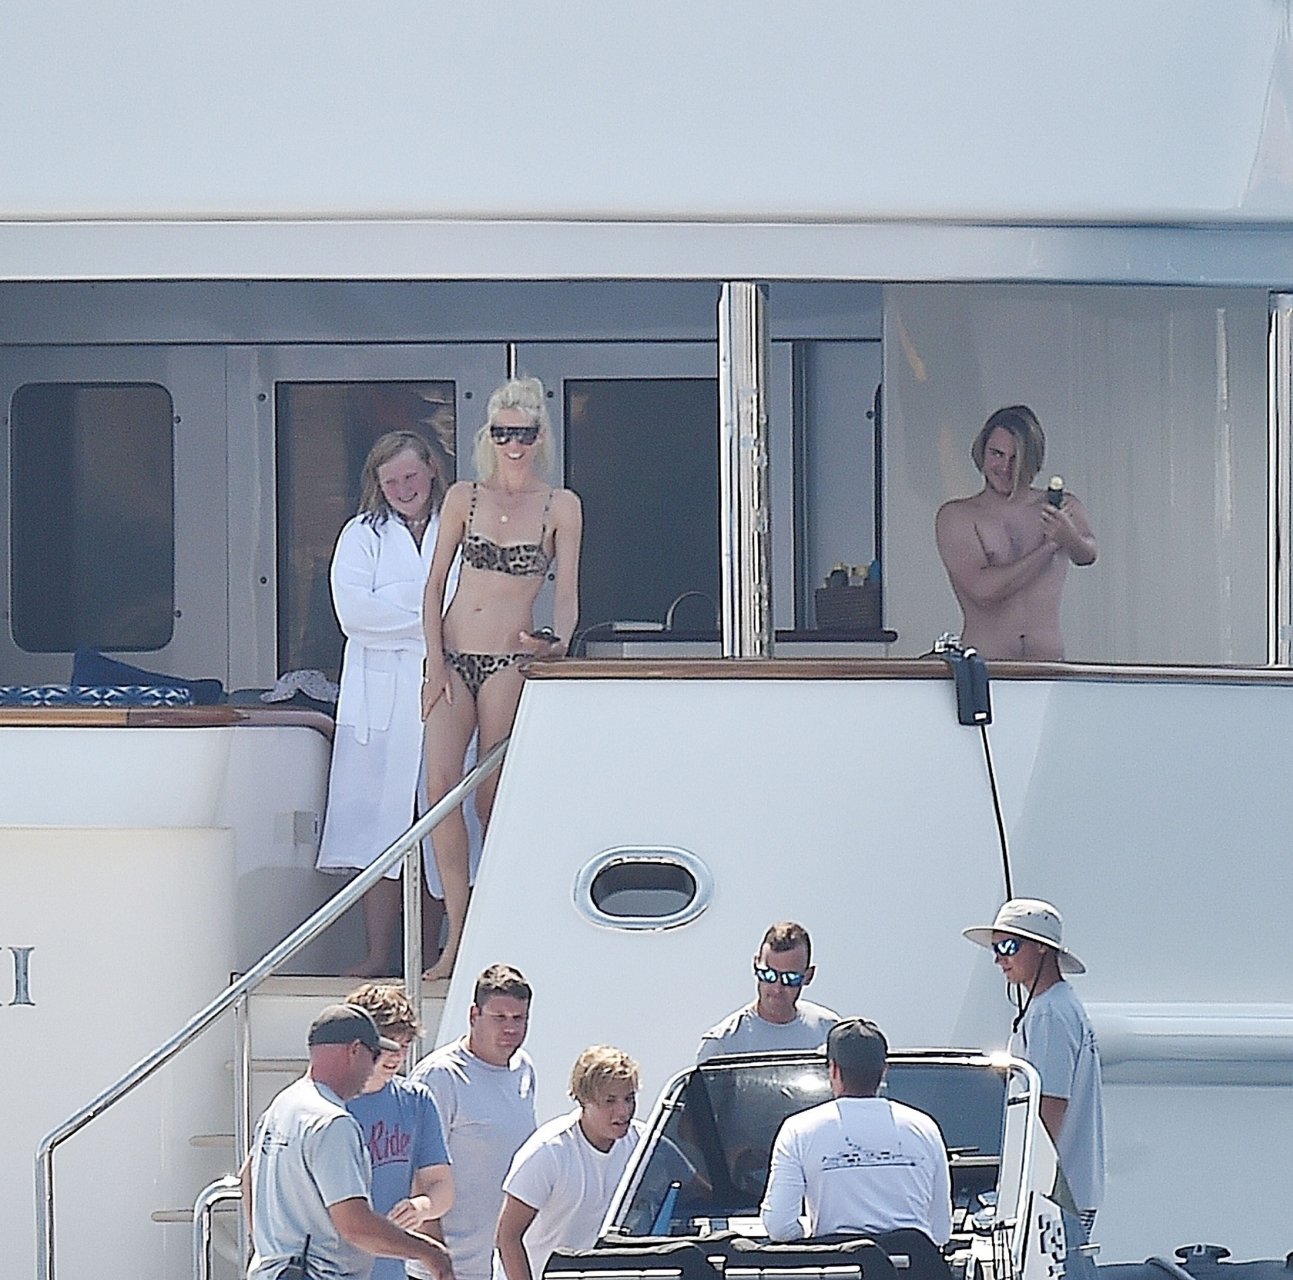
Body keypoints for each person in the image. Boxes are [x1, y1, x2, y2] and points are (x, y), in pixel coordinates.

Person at [420, 376, 583, 980]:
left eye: (525, 434)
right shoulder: (463, 497)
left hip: (511, 659)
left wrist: (557, 643)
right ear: (488, 435)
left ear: (541, 437)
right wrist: (433, 662)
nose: (514, 444)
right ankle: (458, 935)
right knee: (441, 791)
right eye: (503, 433)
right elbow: (434, 586)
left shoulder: (561, 506)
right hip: (454, 653)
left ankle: (504, 925)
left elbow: (566, 596)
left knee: (492, 797)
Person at [316, 429, 479, 978]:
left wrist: (406, 610)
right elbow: (354, 616)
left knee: (438, 822)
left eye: (411, 476)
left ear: (432, 468)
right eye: (391, 482)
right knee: (379, 831)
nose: (404, 488)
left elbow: (467, 604)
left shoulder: (461, 528)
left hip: (446, 690)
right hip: (380, 702)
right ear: (377, 484)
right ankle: (378, 954)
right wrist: (433, 620)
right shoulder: (360, 535)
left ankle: (435, 951)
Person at [242, 1002, 454, 1280]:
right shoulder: (333, 1122)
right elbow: (355, 1225)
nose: (374, 1066)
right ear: (355, 1050)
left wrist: (269, 1249)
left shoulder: (283, 1106)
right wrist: (431, 1253)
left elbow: (247, 1178)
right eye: (374, 1054)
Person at [962, 898, 1105, 1238]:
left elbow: (1050, 1105)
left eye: (1008, 947)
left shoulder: (1048, 1013)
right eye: (995, 948)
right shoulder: (1058, 1005)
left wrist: (1026, 1190)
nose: (999, 959)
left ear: (1041, 948)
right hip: (1068, 1189)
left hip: (1055, 1196)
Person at [760, 1018, 952, 1246]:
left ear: (834, 1069)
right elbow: (940, 1232)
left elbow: (780, 1227)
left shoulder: (798, 1130)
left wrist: (811, 1238)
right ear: (884, 1070)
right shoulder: (925, 1127)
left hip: (837, 1264)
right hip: (914, 1264)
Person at [934, 405, 1096, 661]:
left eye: (1016, 458)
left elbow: (1088, 554)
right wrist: (1049, 547)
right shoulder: (957, 515)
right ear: (982, 452)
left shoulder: (1061, 505)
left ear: (1032, 459)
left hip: (1049, 665)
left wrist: (1070, 538)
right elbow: (983, 590)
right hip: (986, 666)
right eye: (997, 454)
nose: (1005, 467)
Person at [411, 965, 538, 1280]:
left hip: (496, 1267)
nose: (510, 1028)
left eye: (519, 1018)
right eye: (499, 1018)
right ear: (473, 1015)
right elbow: (417, 1176)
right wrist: (439, 1265)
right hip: (442, 1270)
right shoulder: (440, 1076)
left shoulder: (524, 1069)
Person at [497, 1045, 644, 1280]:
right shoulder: (549, 1151)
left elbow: (696, 1184)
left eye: (629, 1098)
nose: (624, 1110)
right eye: (610, 1101)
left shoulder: (642, 1142)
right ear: (584, 1100)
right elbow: (507, 1237)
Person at [345, 983, 455, 1280]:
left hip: (391, 1270)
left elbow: (441, 1184)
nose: (397, 1054)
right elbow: (254, 1177)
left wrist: (422, 1207)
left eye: (405, 1043)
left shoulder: (416, 1100)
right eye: (389, 1043)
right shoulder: (321, 1102)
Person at [696, 921, 840, 1062]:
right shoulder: (721, 1046)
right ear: (755, 966)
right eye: (768, 975)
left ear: (808, 976)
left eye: (790, 978)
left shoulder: (831, 1034)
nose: (777, 988)